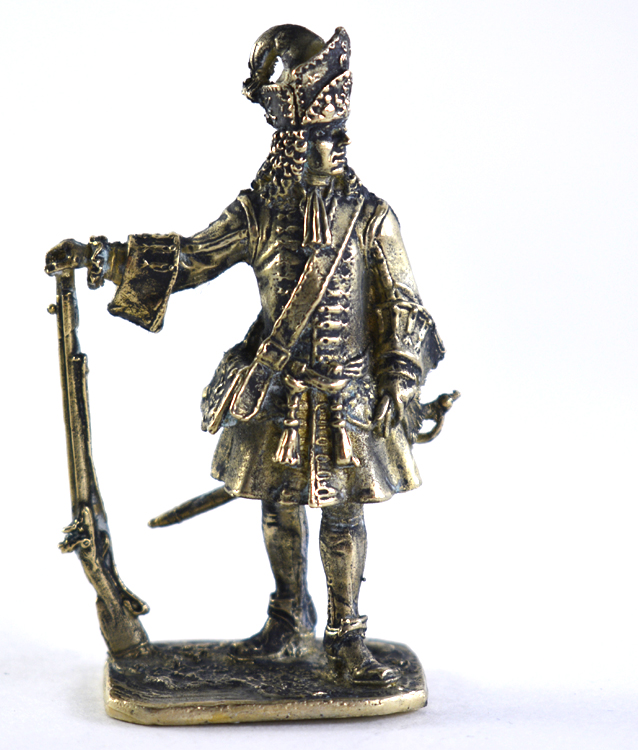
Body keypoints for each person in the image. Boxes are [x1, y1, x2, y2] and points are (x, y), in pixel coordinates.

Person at [45, 25, 444, 686]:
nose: (323, 151)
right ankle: (288, 623)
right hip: (275, 390)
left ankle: (346, 640)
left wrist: (400, 374)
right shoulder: (259, 211)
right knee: (279, 507)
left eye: (329, 138)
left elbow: (404, 305)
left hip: (346, 394)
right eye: (308, 140)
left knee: (342, 517)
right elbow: (191, 257)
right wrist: (104, 258)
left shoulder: (373, 218)